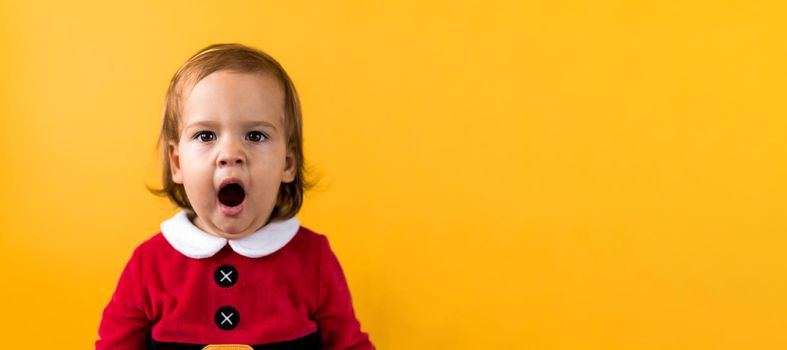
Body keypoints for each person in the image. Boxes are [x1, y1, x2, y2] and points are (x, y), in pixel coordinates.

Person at [96, 43, 374, 350]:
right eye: (206, 135)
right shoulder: (148, 265)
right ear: (177, 163)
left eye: (255, 136)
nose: (230, 154)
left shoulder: (313, 260)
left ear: (287, 163)